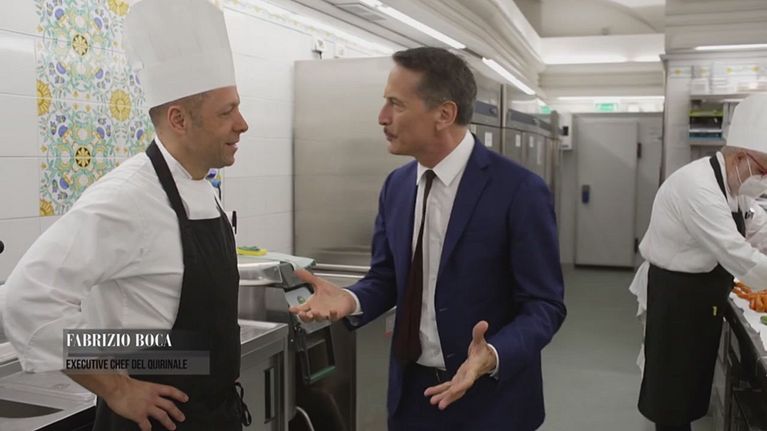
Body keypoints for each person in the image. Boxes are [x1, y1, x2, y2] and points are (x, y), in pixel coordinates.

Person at [2, 0, 250, 430]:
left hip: (210, 413)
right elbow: (26, 299)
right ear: (178, 119)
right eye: (226, 112)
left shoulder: (199, 187)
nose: (242, 124)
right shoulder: (128, 197)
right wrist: (116, 387)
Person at [290, 47, 566, 430]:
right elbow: (387, 279)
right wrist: (350, 299)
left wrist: (493, 354)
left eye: (396, 104)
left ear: (444, 114)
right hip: (412, 399)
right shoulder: (397, 186)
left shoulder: (518, 191)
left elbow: (544, 305)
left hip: (491, 401)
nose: (382, 117)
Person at [629, 93, 767, 431]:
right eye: (764, 171)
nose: (764, 181)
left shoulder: (734, 187)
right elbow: (737, 253)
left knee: (690, 384)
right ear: (741, 158)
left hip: (702, 293)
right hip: (676, 297)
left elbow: (758, 228)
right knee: (671, 393)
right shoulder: (698, 187)